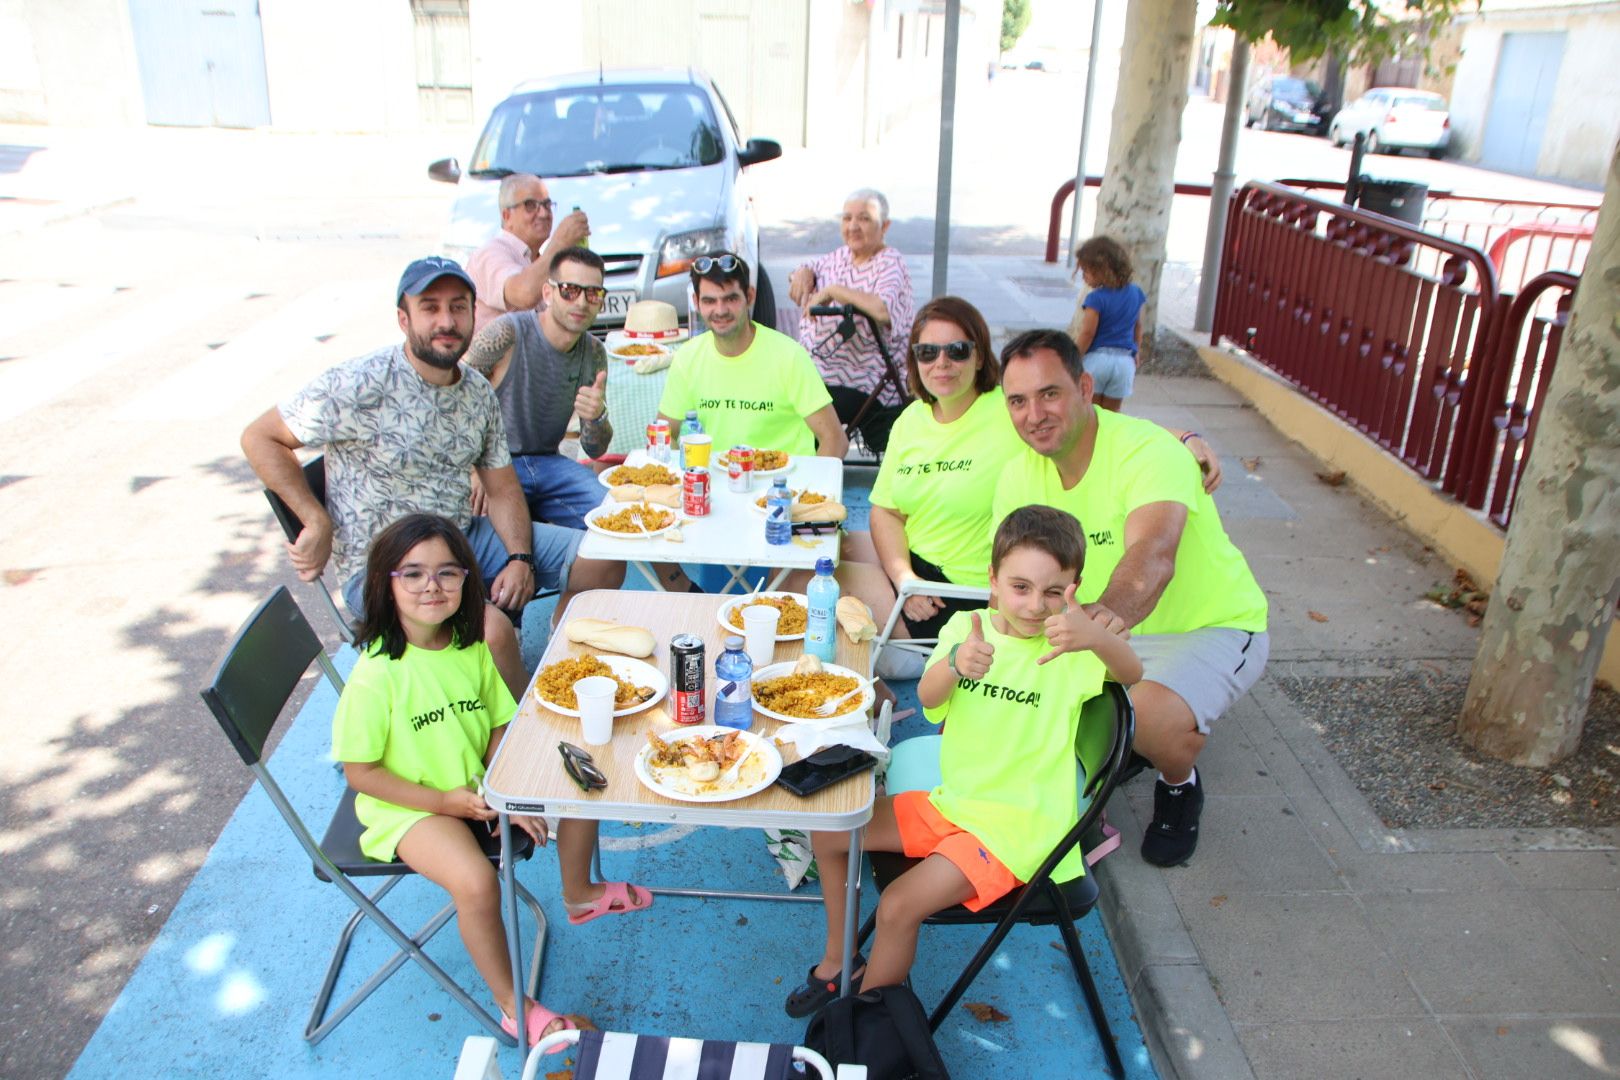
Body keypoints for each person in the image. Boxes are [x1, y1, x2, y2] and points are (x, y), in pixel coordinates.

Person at [784, 506, 1141, 1017]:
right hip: (958, 803)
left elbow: (1132, 675)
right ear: (993, 580)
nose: (1036, 606)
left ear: (1074, 589)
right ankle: (840, 960)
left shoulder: (1074, 648)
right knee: (831, 830)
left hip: (1017, 829)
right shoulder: (965, 630)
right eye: (1020, 587)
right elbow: (929, 701)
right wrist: (955, 665)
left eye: (1053, 592)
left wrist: (1099, 638)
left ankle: (864, 1027)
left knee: (899, 905)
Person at [332, 514, 650, 1048]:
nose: (431, 586)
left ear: (467, 580)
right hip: (411, 804)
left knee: (586, 773)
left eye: (447, 573)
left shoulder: (468, 644)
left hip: (475, 782)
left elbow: (501, 722)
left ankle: (579, 893)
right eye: (412, 574)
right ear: (384, 584)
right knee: (477, 883)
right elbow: (361, 775)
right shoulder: (376, 675)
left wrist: (507, 790)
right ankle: (513, 1006)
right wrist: (447, 802)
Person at [241, 256, 625, 698]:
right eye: (430, 307)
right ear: (404, 318)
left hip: (460, 537)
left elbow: (501, 487)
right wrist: (315, 518)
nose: (446, 320)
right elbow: (260, 437)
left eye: (458, 307)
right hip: (385, 565)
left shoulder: (477, 391)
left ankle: (561, 660)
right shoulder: (360, 382)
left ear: (472, 315)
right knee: (495, 632)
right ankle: (522, 738)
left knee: (604, 551)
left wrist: (520, 558)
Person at [816, 296, 1220, 678]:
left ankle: (903, 670)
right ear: (914, 359)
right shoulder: (911, 420)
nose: (942, 362)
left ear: (979, 355)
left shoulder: (1007, 409)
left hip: (952, 589)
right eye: (927, 352)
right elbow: (886, 509)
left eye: (956, 350)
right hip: (915, 566)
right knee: (822, 549)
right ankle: (871, 659)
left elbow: (1085, 419)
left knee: (814, 586)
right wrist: (901, 573)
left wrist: (1182, 438)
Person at [993, 329, 1270, 867]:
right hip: (1099, 626)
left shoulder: (1148, 450)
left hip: (1208, 625)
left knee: (1144, 715)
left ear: (1086, 388)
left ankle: (1178, 781)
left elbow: (1153, 557)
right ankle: (1106, 763)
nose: (1034, 413)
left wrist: (1098, 630)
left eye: (1050, 393)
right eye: (1018, 401)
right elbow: (1017, 582)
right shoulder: (1018, 474)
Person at [466, 247, 612, 530]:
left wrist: (597, 416)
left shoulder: (594, 352)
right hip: (495, 463)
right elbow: (456, 398)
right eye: (570, 290)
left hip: (548, 463)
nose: (581, 302)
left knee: (611, 513)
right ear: (548, 293)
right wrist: (474, 468)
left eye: (593, 293)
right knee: (478, 529)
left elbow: (595, 449)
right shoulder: (507, 332)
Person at [658, 252, 848, 460]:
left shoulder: (789, 356)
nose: (720, 310)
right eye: (709, 301)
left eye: (730, 298)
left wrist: (807, 489)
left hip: (782, 489)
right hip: (712, 487)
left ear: (749, 296)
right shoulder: (687, 357)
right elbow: (664, 436)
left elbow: (835, 440)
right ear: (696, 302)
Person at [789, 188, 915, 452]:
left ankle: (813, 476)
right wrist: (802, 273)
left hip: (863, 378)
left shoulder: (890, 263)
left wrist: (834, 291)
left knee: (805, 413)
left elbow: (882, 309)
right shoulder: (840, 257)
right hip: (814, 369)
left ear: (885, 226)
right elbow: (809, 268)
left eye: (864, 219)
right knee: (777, 399)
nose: (853, 226)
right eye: (847, 218)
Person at [467, 173, 592, 332]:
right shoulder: (491, 252)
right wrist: (560, 242)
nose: (544, 214)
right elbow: (524, 294)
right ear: (507, 216)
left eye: (547, 205)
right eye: (530, 205)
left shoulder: (538, 260)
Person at [1072, 236, 1146, 412]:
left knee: (1091, 413)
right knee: (1112, 416)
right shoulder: (1136, 293)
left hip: (1097, 361)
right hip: (1124, 362)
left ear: (1101, 271)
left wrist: (1073, 357)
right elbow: (1138, 327)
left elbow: (1087, 333)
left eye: (1085, 272)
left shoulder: (1096, 299)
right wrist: (1136, 351)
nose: (1083, 277)